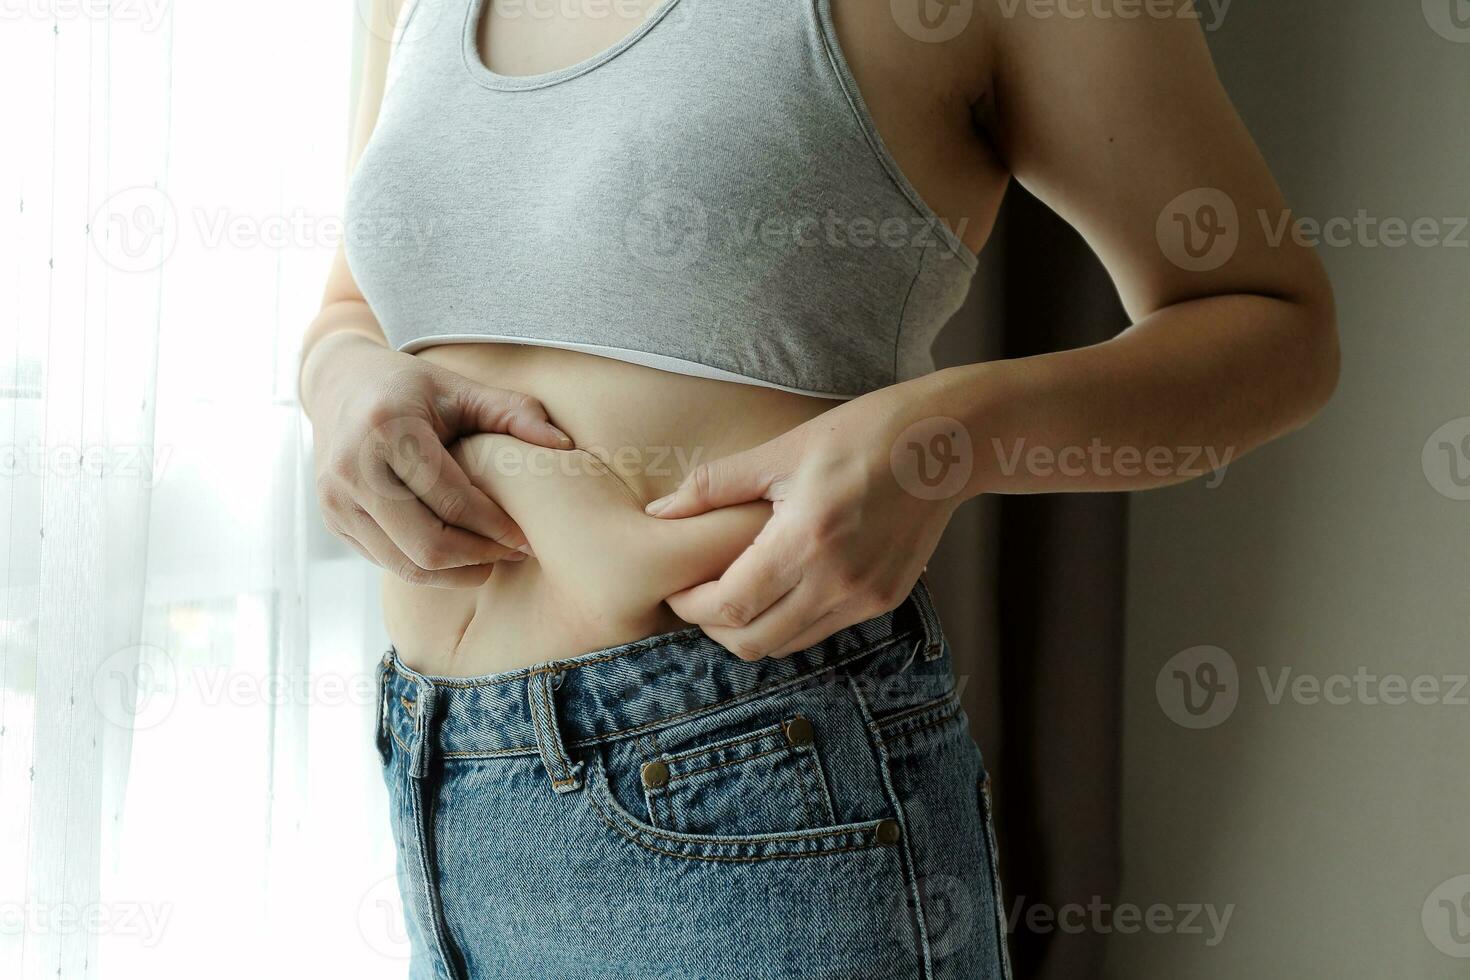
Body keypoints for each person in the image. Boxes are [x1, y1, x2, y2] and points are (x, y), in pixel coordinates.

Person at [299, 0, 1337, 976]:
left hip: (758, 792)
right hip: (444, 780)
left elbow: (1275, 330)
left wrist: (948, 436)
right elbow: (355, 303)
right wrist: (340, 382)